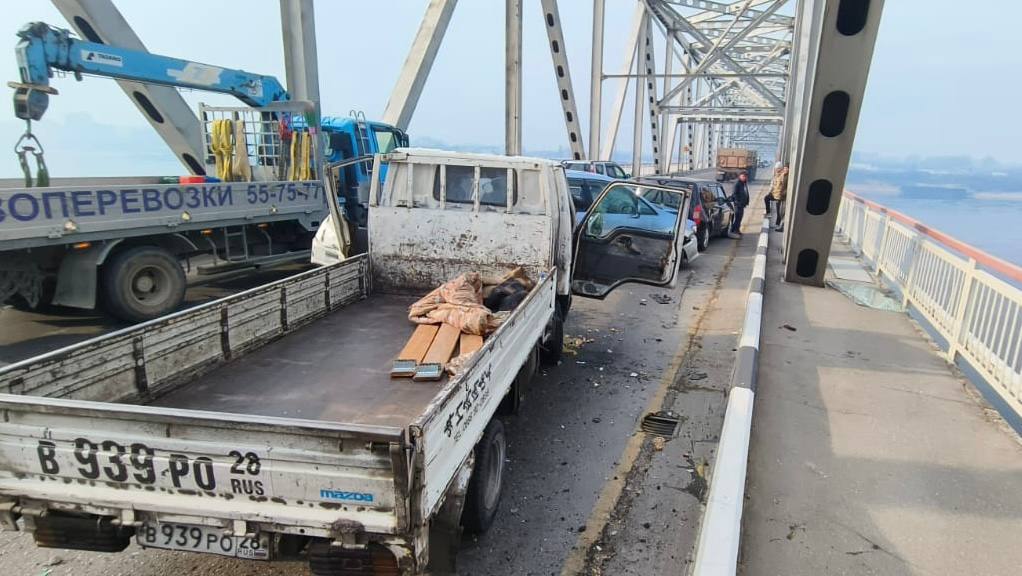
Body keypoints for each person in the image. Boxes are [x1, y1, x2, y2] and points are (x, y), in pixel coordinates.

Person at [728, 171, 750, 238]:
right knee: (737, 218)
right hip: (738, 204)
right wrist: (738, 202)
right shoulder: (737, 183)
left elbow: (745, 192)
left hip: (742, 204)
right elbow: (734, 194)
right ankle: (734, 231)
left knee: (740, 218)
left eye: (745, 176)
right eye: (743, 176)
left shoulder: (743, 183)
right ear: (740, 176)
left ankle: (737, 230)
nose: (744, 178)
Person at [770, 163, 789, 232]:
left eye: (786, 168)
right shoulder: (784, 175)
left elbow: (786, 187)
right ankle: (779, 225)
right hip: (779, 196)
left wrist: (782, 193)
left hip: (783, 196)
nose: (785, 170)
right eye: (784, 168)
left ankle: (780, 226)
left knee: (782, 212)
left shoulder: (786, 176)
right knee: (780, 211)